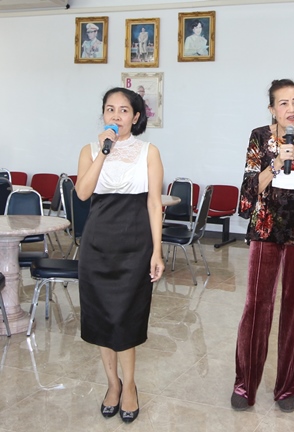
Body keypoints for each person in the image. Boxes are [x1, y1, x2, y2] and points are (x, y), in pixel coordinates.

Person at [231, 79, 294, 413]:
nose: (291, 109)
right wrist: (276, 163)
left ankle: (287, 387)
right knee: (256, 307)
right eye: (284, 103)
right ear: (272, 109)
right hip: (266, 229)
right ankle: (245, 384)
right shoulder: (260, 137)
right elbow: (249, 190)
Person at [76, 87, 165, 423]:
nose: (116, 116)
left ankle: (129, 387)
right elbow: (83, 193)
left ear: (136, 117)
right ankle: (112, 384)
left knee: (125, 318)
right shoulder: (90, 150)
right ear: (103, 114)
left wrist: (157, 251)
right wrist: (103, 152)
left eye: (124, 110)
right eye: (110, 109)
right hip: (97, 243)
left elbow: (154, 204)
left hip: (135, 243)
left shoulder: (148, 152)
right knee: (102, 318)